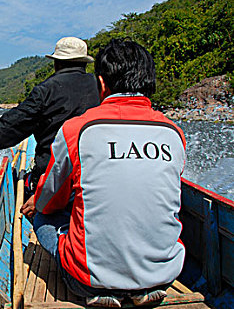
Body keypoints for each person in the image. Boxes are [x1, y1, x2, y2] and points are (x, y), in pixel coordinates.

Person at [33, 39, 186, 307]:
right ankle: (142, 288)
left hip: (88, 279)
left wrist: (40, 202)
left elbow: (49, 201)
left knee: (42, 217)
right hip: (164, 276)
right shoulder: (174, 133)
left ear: (102, 84)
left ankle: (103, 290)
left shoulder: (77, 129)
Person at [0, 37, 100, 217]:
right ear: (84, 62)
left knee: (22, 183)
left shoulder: (47, 90)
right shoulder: (100, 87)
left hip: (54, 178)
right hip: (94, 178)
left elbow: (13, 125)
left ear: (57, 63)